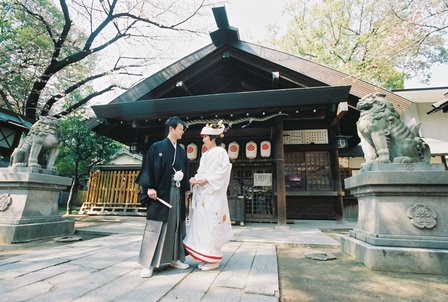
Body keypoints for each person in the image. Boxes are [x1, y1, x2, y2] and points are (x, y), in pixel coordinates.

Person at [135, 116, 190, 278]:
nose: (182, 132)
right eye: (180, 129)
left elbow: (185, 170)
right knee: (156, 226)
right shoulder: (156, 147)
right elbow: (148, 168)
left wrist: (185, 188)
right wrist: (149, 187)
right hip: (160, 192)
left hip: (176, 192)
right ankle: (148, 264)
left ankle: (174, 258)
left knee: (175, 226)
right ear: (171, 129)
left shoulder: (181, 150)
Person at [183, 120, 233, 271]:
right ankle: (205, 256)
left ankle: (213, 259)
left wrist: (208, 180)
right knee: (202, 225)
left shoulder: (221, 152)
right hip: (203, 194)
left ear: (213, 138)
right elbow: (201, 172)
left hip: (214, 195)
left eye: (205, 137)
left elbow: (224, 172)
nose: (203, 139)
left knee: (212, 224)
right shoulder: (205, 155)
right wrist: (195, 179)